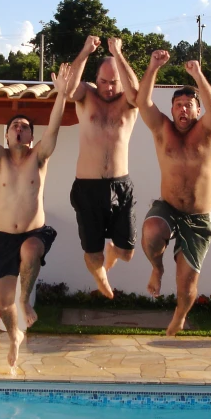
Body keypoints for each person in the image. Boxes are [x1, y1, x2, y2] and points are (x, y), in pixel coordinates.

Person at [0, 63, 72, 368]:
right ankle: (15, 336)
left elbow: (54, 128)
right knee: (3, 303)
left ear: (31, 136)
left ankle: (26, 299)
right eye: (14, 126)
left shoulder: (38, 157)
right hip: (2, 237)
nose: (19, 129)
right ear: (7, 135)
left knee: (31, 250)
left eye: (24, 127)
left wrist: (62, 95)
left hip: (34, 232)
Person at [133, 50, 211, 336]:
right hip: (168, 207)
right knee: (151, 230)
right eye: (178, 105)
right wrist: (153, 66)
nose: (183, 110)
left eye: (189, 105)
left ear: (198, 110)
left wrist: (197, 75)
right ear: (171, 110)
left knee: (186, 284)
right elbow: (143, 102)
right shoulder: (162, 129)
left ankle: (180, 315)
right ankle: (157, 268)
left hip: (197, 217)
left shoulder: (208, 130)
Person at [64, 36, 140, 298]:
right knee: (92, 253)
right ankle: (100, 276)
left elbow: (138, 92)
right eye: (104, 81)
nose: (108, 88)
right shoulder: (86, 95)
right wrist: (85, 51)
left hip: (121, 185)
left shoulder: (129, 102)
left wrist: (118, 54)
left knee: (127, 253)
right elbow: (68, 89)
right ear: (96, 79)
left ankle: (112, 255)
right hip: (88, 186)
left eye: (114, 82)